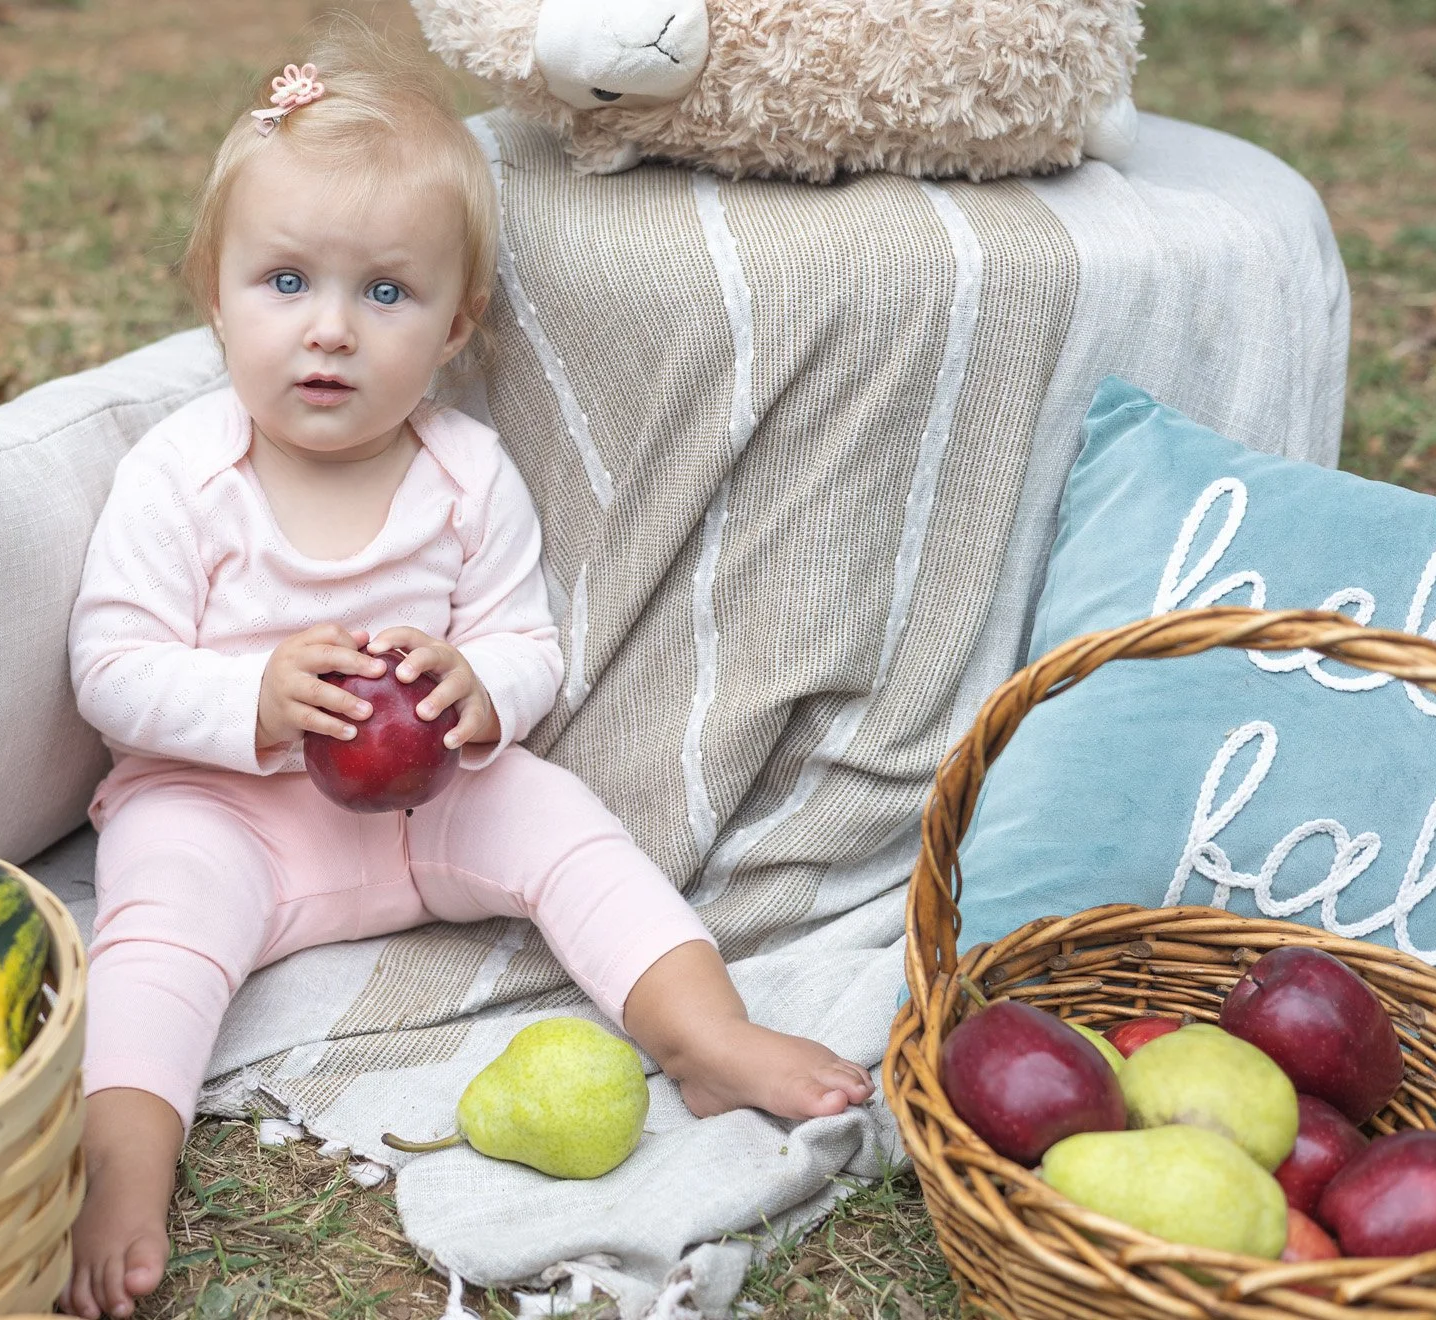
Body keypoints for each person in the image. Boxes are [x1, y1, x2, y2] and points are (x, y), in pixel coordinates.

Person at [60, 19, 875, 1318]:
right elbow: (109, 668)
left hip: (424, 808)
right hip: (226, 812)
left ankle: (699, 1032)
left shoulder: (462, 474)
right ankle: (124, 1172)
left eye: (385, 293)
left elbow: (525, 639)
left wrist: (477, 685)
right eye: (286, 283)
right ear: (211, 289)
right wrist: (251, 702)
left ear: (456, 325)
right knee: (152, 923)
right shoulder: (184, 475)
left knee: (564, 823)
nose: (330, 331)